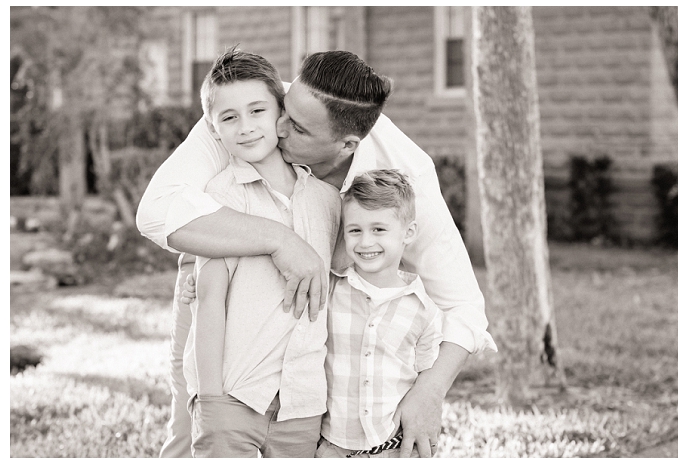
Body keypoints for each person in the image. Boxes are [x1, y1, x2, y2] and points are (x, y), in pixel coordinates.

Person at [137, 50, 497, 458]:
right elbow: (155, 213)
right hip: (224, 257)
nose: (279, 127)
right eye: (284, 111)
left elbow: (464, 305)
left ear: (345, 146)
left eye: (300, 130)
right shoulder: (250, 107)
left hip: (313, 322)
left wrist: (430, 392)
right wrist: (281, 240)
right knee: (194, 429)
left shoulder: (405, 176)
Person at [181, 47, 341, 457]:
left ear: (281, 115)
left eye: (257, 111)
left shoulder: (327, 201)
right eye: (229, 117)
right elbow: (209, 302)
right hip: (235, 397)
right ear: (214, 130)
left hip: (302, 404)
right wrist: (211, 398)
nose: (246, 127)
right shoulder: (217, 199)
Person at [316, 169, 444, 458]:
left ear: (407, 233)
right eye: (355, 230)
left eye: (379, 229)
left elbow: (427, 383)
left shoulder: (424, 310)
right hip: (331, 446)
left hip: (394, 447)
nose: (365, 242)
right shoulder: (330, 289)